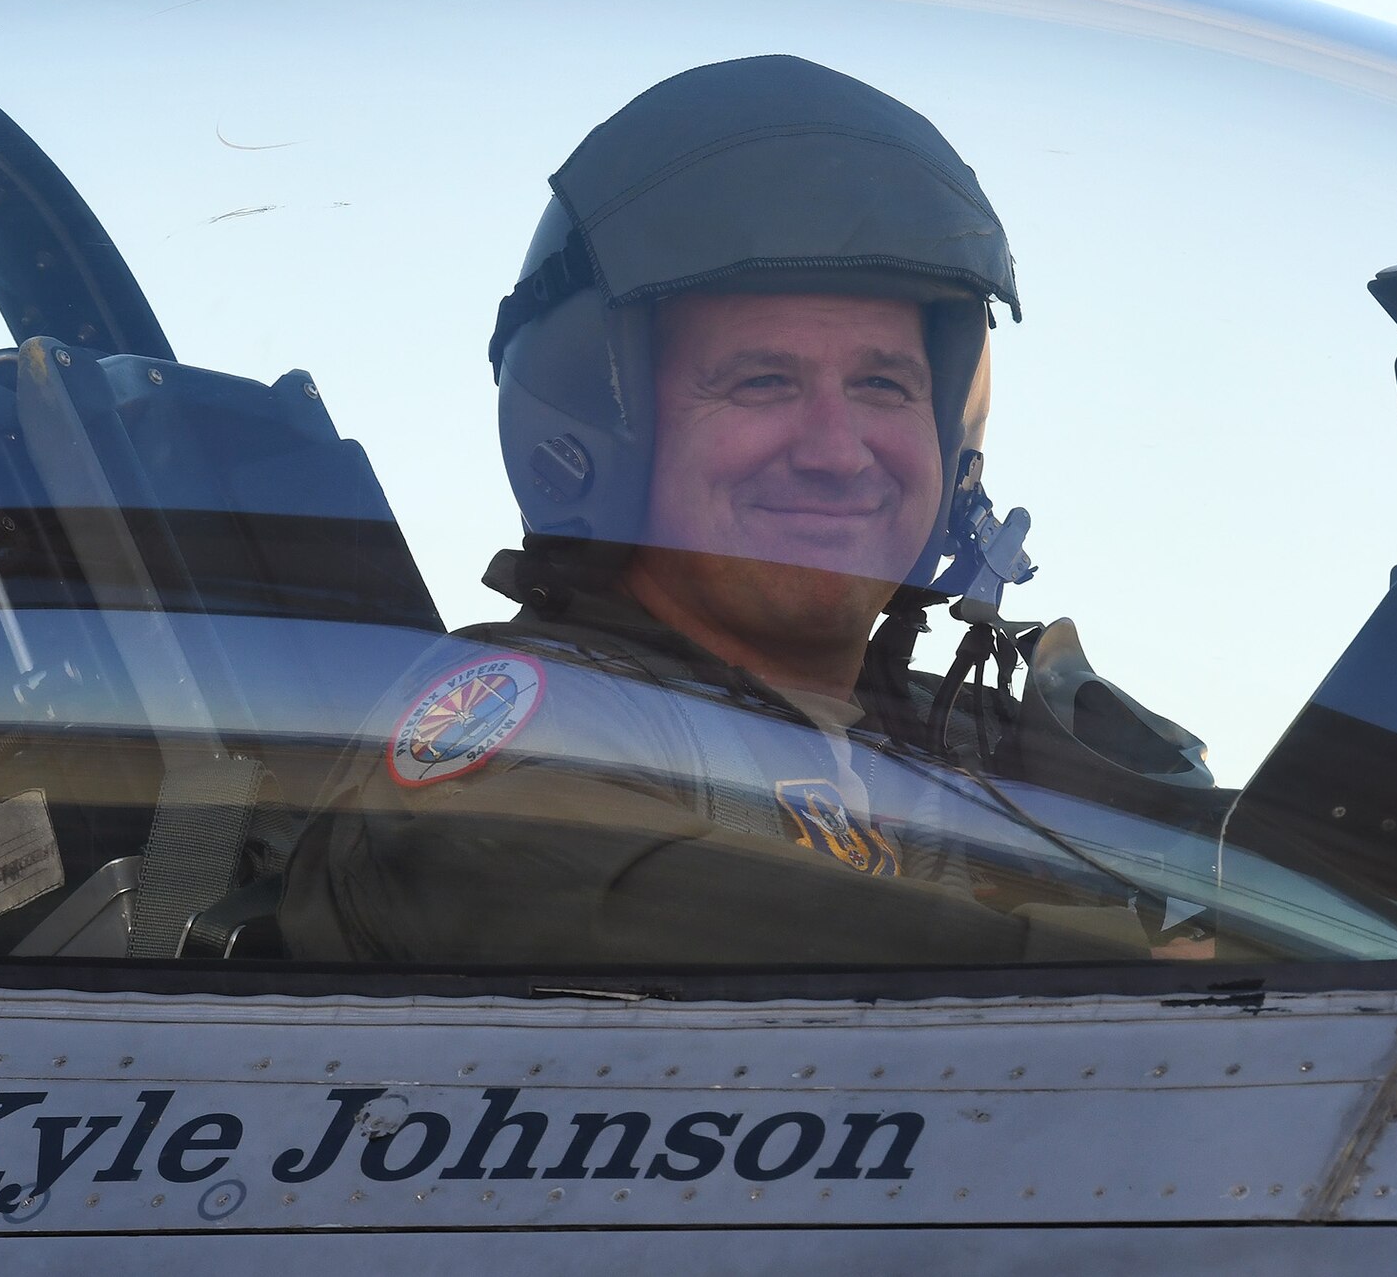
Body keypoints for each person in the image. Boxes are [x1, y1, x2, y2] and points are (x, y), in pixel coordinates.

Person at [278, 55, 1209, 967]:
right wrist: (1160, 981)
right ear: (612, 431)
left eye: (884, 386)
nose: (836, 451)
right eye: (762, 383)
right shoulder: (524, 725)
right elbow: (603, 903)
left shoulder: (969, 747)